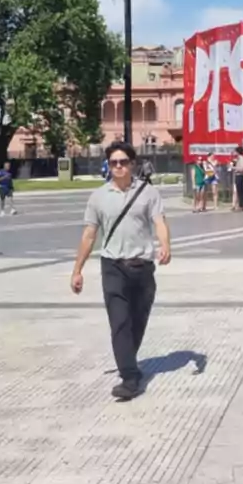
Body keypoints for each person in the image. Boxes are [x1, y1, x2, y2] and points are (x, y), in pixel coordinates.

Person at [70, 142, 172, 400]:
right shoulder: (98, 197)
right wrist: (77, 270)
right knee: (120, 322)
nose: (118, 166)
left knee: (137, 322)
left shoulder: (148, 193)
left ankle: (128, 360)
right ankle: (130, 377)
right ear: (108, 165)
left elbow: (159, 222)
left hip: (143, 267)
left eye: (123, 162)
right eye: (114, 162)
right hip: (113, 266)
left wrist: (165, 245)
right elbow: (89, 234)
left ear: (132, 164)